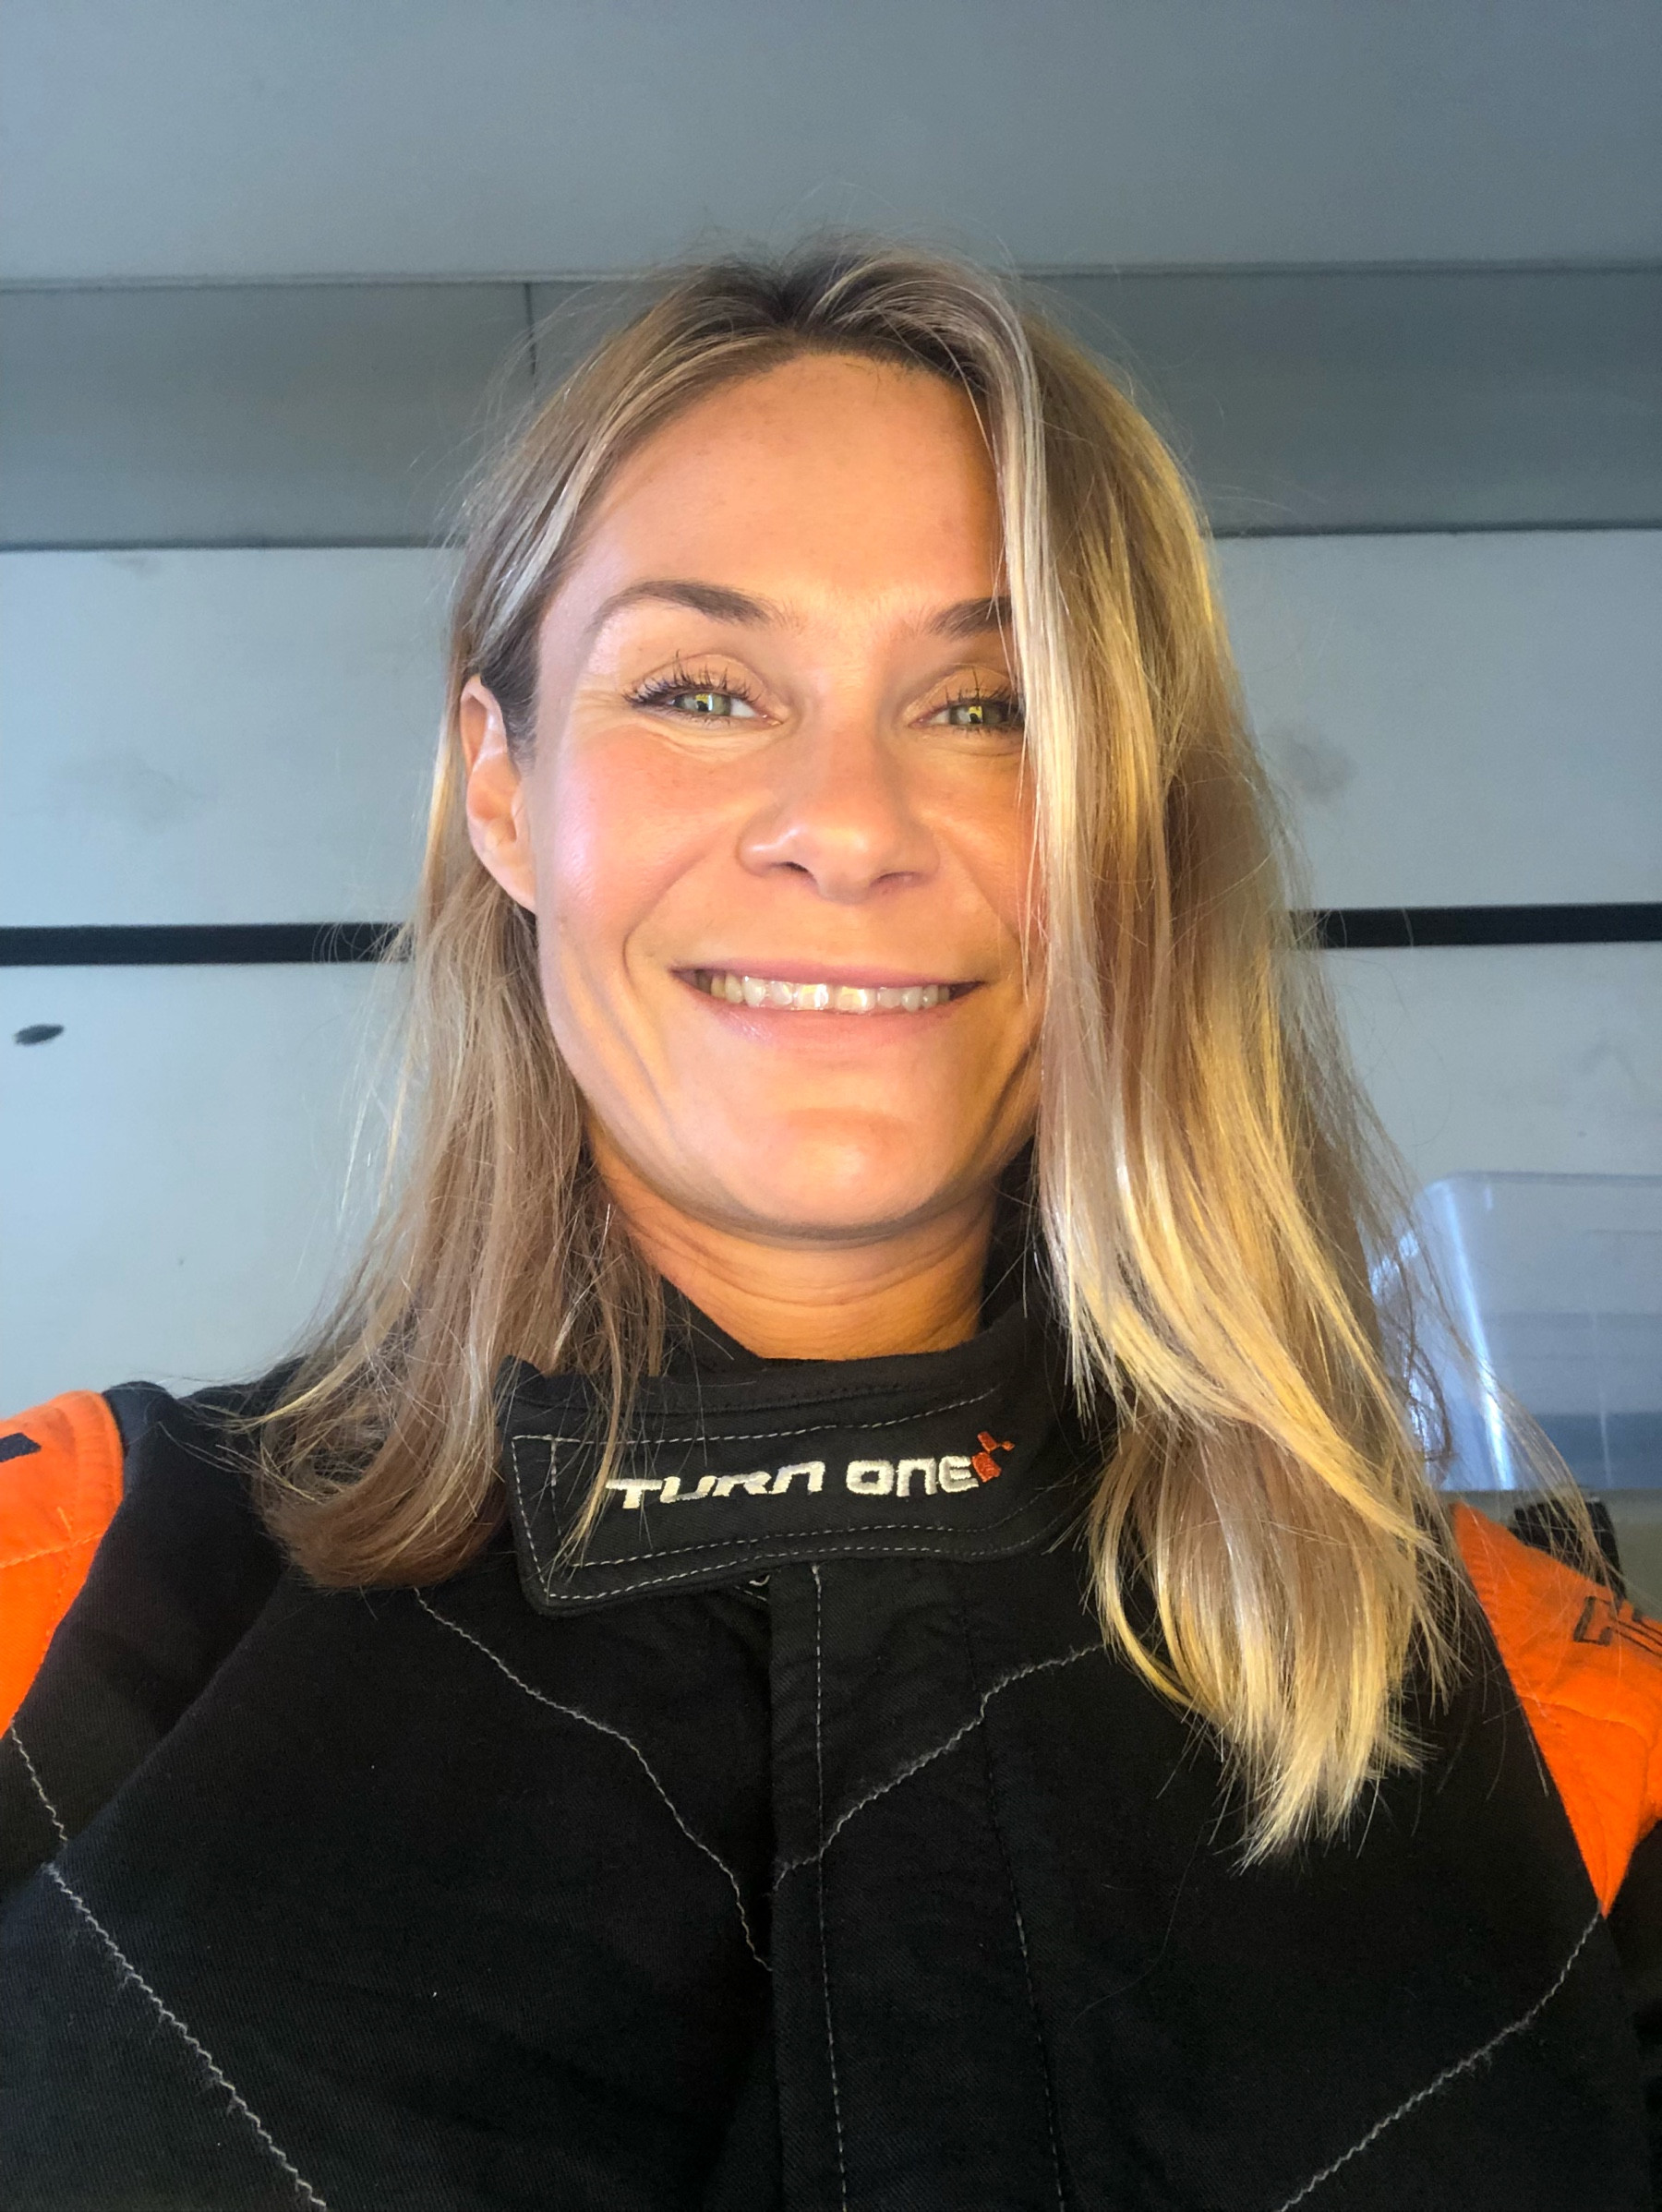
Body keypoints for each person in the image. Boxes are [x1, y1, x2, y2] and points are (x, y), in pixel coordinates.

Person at [2, 240, 1659, 2211]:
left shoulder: (1563, 1716)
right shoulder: (68, 1580)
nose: (851, 823)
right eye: (702, 690)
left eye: (990, 705)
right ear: (505, 792)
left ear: (1133, 832)